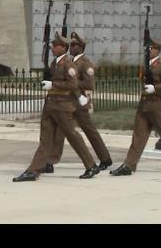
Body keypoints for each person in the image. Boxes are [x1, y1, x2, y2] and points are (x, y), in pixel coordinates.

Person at [13, 34, 100, 181]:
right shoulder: (55, 63)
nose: (52, 48)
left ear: (63, 47)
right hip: (51, 105)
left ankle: (91, 165)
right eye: (52, 45)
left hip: (62, 106)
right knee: (45, 140)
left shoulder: (68, 64)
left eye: (55, 45)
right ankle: (34, 170)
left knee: (73, 137)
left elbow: (72, 84)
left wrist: (53, 85)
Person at [110, 38, 161, 175]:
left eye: (150, 48)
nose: (147, 51)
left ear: (157, 50)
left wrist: (155, 88)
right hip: (144, 106)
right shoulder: (146, 66)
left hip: (156, 106)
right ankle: (129, 165)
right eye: (147, 49)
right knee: (138, 136)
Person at [44, 32, 112, 172]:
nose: (71, 47)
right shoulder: (68, 62)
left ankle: (105, 158)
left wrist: (70, 84)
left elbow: (89, 84)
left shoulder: (86, 64)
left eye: (74, 45)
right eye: (71, 44)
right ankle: (50, 161)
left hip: (79, 102)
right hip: (66, 102)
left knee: (89, 130)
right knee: (60, 132)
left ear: (81, 47)